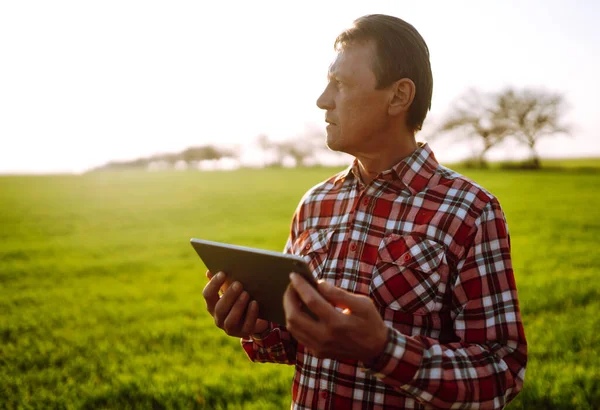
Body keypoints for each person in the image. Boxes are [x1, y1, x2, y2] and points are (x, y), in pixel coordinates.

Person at [202, 14, 527, 409]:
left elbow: (502, 371)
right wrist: (256, 328)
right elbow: (295, 343)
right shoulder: (315, 204)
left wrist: (384, 349)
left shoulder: (471, 211)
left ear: (398, 97)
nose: (323, 99)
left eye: (339, 84)